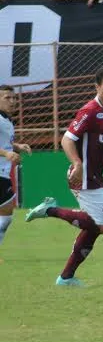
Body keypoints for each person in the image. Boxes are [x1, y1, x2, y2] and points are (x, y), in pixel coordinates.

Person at [25, 66, 103, 286]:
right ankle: (50, 210)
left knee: (93, 229)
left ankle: (66, 278)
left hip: (94, 176)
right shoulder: (90, 110)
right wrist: (77, 163)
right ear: (97, 87)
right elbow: (67, 139)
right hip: (83, 177)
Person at [0, 85, 31, 256]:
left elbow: (4, 142)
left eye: (14, 98)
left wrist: (17, 146)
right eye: (7, 98)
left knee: (6, 212)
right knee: (6, 212)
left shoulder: (6, 120)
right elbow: (3, 148)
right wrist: (6, 153)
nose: (12, 101)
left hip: (2, 173)